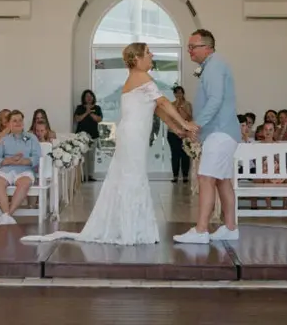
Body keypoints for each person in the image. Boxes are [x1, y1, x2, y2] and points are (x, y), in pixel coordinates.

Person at [22, 42, 198, 245]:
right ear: (137, 59)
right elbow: (164, 103)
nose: (152, 55)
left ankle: (131, 226)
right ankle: (130, 228)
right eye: (148, 52)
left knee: (132, 176)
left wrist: (177, 129)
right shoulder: (142, 76)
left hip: (134, 134)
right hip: (133, 134)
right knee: (133, 176)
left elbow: (157, 109)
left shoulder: (138, 79)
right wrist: (185, 122)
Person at [174, 29, 241, 244]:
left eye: (193, 46)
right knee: (222, 181)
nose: (190, 51)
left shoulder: (214, 64)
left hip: (220, 131)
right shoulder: (212, 65)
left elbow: (215, 99)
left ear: (208, 47)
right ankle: (230, 228)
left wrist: (196, 125)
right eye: (189, 47)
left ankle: (201, 230)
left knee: (206, 178)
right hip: (222, 131)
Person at [0, 110, 43, 225]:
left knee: (24, 183)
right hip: (7, 169)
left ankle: (7, 215)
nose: (18, 123)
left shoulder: (31, 138)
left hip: (25, 170)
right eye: (14, 121)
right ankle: (7, 217)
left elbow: (37, 157)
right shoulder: (4, 140)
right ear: (9, 124)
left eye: (20, 120)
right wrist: (9, 160)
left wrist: (25, 161)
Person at [74, 90, 102, 181]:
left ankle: (90, 175)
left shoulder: (97, 108)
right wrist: (86, 111)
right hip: (81, 137)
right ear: (84, 98)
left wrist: (90, 112)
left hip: (93, 136)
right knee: (81, 157)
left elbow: (99, 119)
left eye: (90, 96)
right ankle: (81, 176)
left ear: (93, 97)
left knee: (91, 158)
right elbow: (77, 119)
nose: (89, 98)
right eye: (87, 96)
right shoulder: (79, 108)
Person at [168, 85, 193, 183]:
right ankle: (175, 176)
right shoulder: (171, 105)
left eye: (180, 92)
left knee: (185, 154)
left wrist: (182, 109)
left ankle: (185, 176)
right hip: (173, 132)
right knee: (175, 154)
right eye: (176, 93)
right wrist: (176, 107)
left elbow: (190, 118)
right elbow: (169, 118)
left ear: (183, 94)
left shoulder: (188, 104)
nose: (179, 95)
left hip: (185, 133)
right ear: (174, 94)